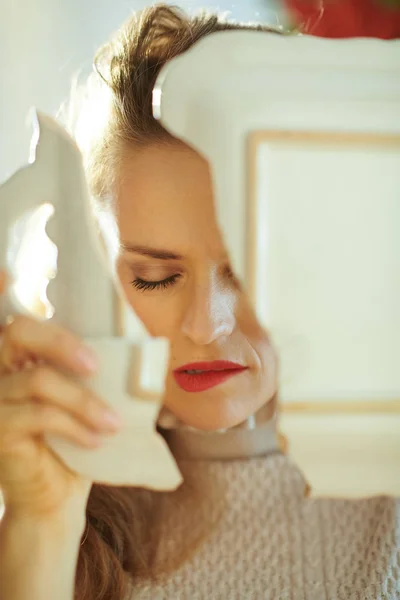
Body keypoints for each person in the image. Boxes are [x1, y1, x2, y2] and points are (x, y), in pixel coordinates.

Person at [0, 5, 398, 600]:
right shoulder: (39, 495)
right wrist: (41, 527)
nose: (205, 326)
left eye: (250, 271)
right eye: (156, 277)